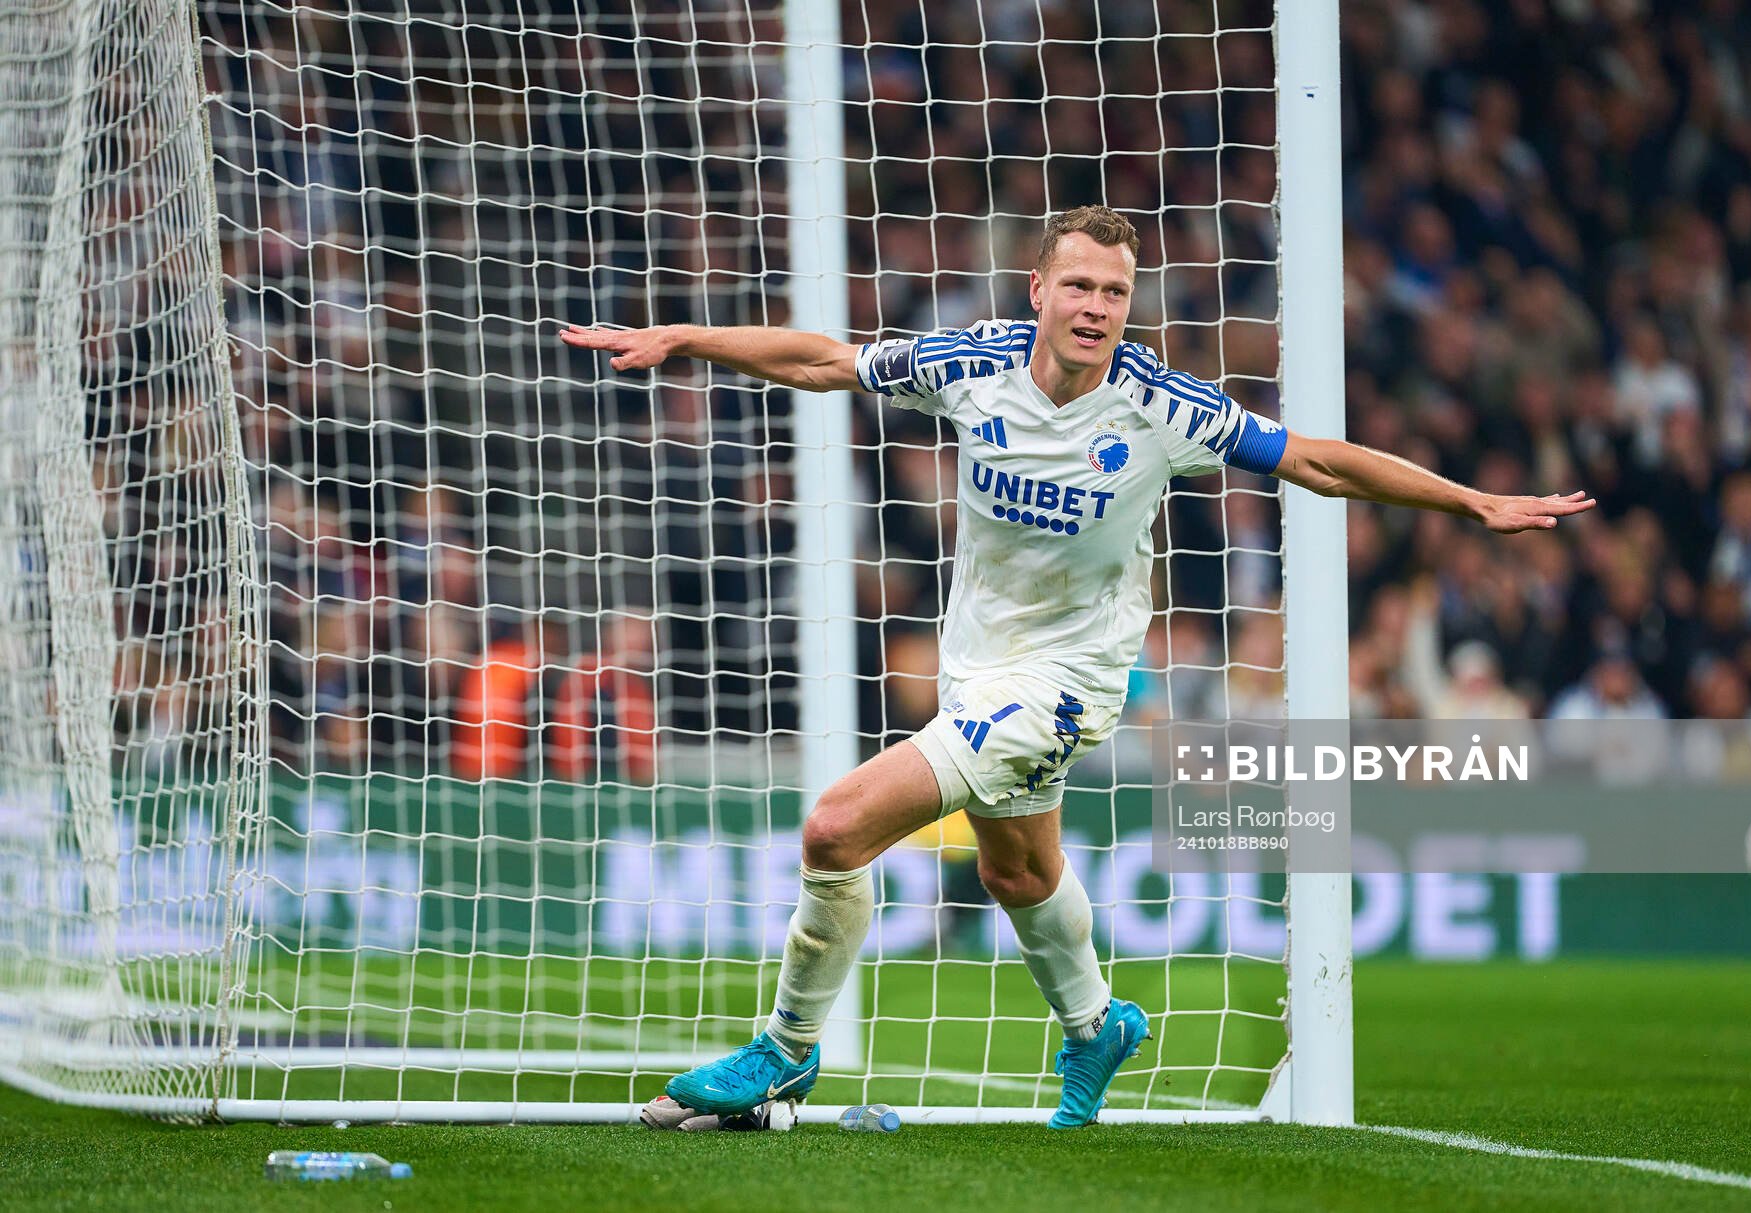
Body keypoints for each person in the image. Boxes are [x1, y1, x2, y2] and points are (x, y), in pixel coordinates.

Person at [558, 205, 1593, 1127]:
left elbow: (1315, 459)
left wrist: (1469, 501)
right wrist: (693, 338)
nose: (1097, 306)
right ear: (1039, 290)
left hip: (1072, 683)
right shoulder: (971, 366)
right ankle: (1096, 1025)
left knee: (835, 827)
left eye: (1116, 291)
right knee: (1016, 869)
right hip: (980, 665)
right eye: (1081, 285)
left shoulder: (1158, 404)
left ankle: (783, 1052)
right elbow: (829, 361)